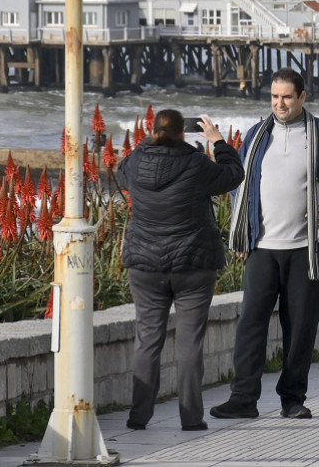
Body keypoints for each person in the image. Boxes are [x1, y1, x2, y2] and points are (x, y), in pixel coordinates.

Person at [212, 68, 319, 421]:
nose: (279, 103)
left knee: (299, 327)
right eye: (274, 96)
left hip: (307, 249)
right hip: (263, 248)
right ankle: (243, 399)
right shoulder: (256, 135)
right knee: (250, 323)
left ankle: (292, 400)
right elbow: (242, 182)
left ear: (302, 97)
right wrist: (244, 228)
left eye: (286, 96)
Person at [120, 110, 244, 431]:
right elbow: (233, 174)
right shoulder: (197, 165)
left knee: (147, 340)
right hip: (193, 265)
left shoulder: (135, 162)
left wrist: (146, 145)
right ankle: (191, 418)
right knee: (190, 344)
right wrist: (217, 141)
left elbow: (122, 171)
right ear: (183, 133)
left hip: (146, 266)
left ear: (153, 131)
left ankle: (138, 416)